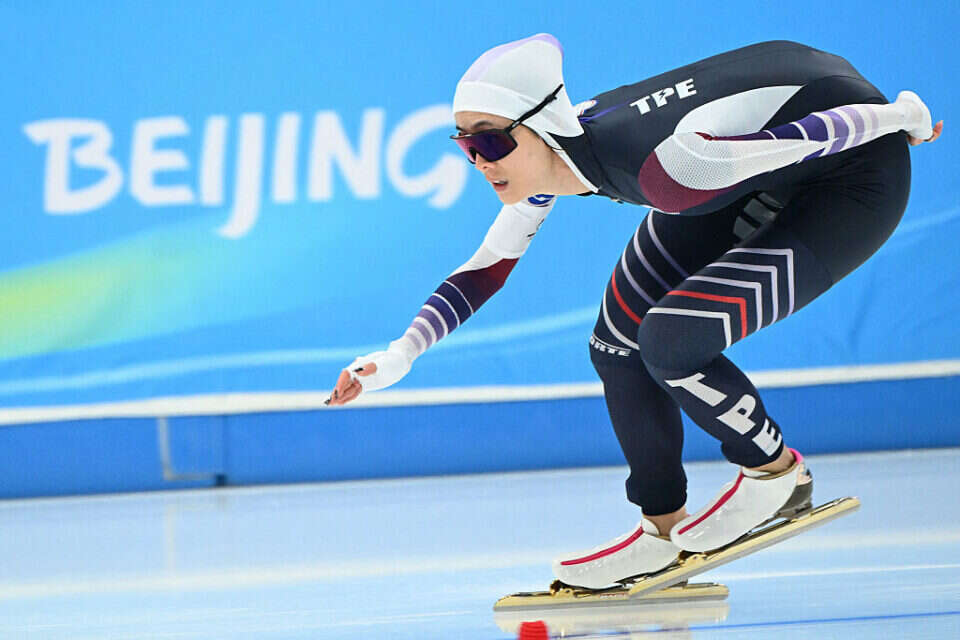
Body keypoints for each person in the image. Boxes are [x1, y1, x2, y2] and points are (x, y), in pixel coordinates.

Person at [326, 35, 943, 589]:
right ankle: (662, 530)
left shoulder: (670, 167)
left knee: (671, 339)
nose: (481, 161)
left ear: (542, 128)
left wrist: (902, 116)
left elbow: (809, 137)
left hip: (854, 174)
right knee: (615, 344)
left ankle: (776, 476)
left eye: (491, 141)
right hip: (747, 165)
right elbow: (488, 266)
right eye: (467, 145)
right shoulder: (557, 155)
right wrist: (401, 354)